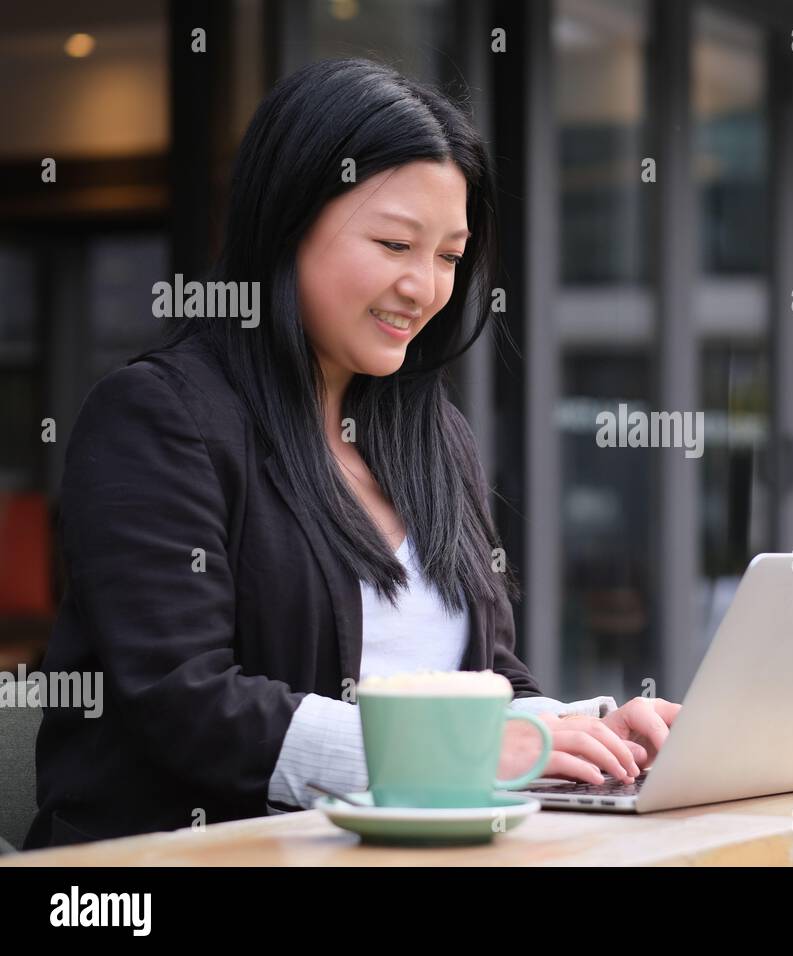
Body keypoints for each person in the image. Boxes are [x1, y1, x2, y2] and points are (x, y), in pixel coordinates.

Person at [25, 59, 678, 850]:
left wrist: (588, 734)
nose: (425, 288)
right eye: (395, 243)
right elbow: (183, 698)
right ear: (287, 220)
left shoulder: (431, 433)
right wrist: (461, 756)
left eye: (448, 255)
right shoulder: (158, 417)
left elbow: (487, 679)